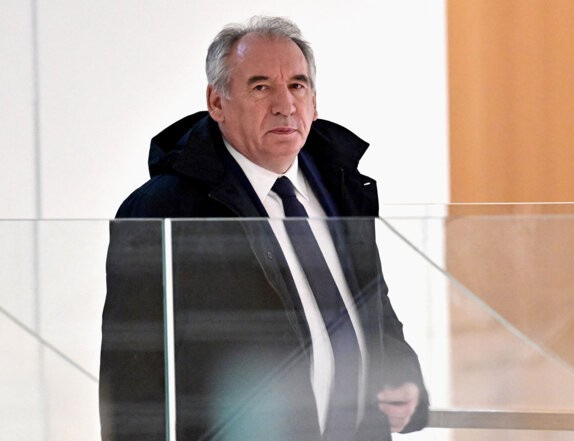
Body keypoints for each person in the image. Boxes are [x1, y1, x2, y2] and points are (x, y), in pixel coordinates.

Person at [100, 16, 428, 441]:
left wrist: (403, 378)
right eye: (261, 87)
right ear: (216, 103)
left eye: (297, 85)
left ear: (314, 100)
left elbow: (373, 306)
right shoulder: (160, 211)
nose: (285, 105)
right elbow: (131, 380)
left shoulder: (341, 187)